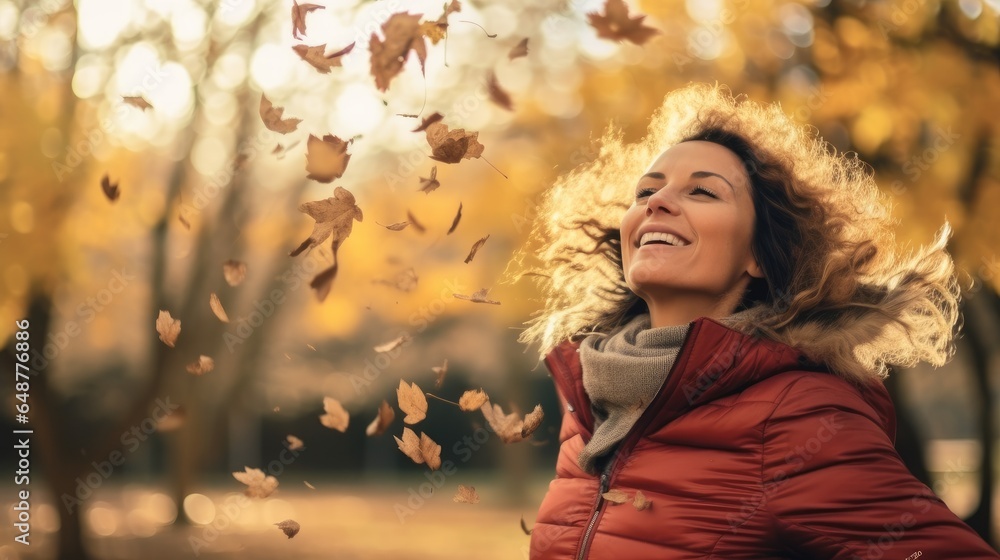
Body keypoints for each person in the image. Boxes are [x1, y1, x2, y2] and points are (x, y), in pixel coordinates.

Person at [511, 82, 1000, 559]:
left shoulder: (793, 413)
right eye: (645, 192)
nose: (655, 203)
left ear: (758, 256)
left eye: (702, 191)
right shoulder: (590, 402)